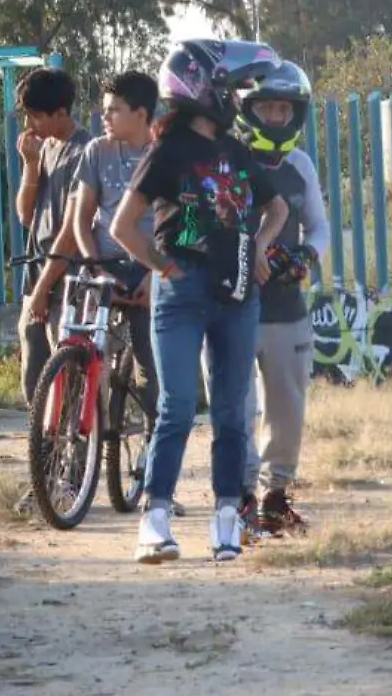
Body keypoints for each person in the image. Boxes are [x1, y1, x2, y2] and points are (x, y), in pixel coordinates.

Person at [111, 39, 287, 565]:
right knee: (178, 407)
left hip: (237, 293)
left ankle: (225, 520)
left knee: (233, 412)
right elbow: (123, 227)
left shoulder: (236, 152)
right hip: (181, 294)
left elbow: (274, 208)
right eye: (232, 86)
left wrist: (258, 246)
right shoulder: (167, 150)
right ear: (201, 87)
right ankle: (155, 517)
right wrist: (164, 267)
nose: (238, 97)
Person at [229, 61, 328, 537]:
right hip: (229, 304)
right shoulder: (224, 159)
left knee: (287, 407)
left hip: (287, 305)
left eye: (282, 108)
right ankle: (241, 499)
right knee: (238, 408)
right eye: (265, 106)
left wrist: (306, 253)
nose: (274, 115)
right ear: (247, 109)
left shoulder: (300, 164)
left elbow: (321, 226)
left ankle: (275, 497)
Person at [74, 72, 161, 411]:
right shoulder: (97, 151)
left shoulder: (166, 155)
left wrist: (159, 275)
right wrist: (95, 267)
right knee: (83, 354)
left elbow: (189, 223)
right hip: (103, 268)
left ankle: (152, 449)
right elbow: (81, 221)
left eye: (114, 110)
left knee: (150, 368)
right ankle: (81, 441)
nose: (104, 117)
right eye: (104, 109)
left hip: (149, 272)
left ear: (140, 114)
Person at [14, 68, 92, 408]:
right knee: (34, 376)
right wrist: (30, 165)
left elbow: (74, 230)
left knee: (67, 381)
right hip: (37, 275)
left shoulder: (85, 152)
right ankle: (43, 454)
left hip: (68, 280)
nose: (31, 124)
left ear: (61, 112)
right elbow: (25, 215)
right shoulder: (44, 148)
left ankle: (74, 454)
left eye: (37, 116)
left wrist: (46, 288)